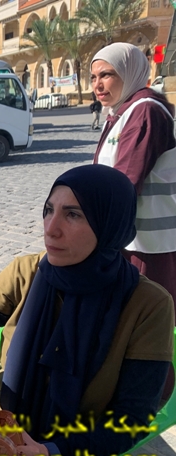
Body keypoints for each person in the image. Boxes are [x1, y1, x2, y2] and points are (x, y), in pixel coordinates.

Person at [0, 164, 174, 456]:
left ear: (110, 224)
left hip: (70, 453)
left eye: (73, 214)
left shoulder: (148, 305)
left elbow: (132, 419)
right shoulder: (26, 272)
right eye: (49, 210)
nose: (51, 228)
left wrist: (51, 453)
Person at [91, 42, 176, 302]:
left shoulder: (145, 111)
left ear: (129, 72)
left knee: (146, 313)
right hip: (129, 237)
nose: (97, 85)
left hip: (147, 245)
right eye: (93, 77)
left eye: (106, 75)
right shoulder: (122, 112)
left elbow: (124, 181)